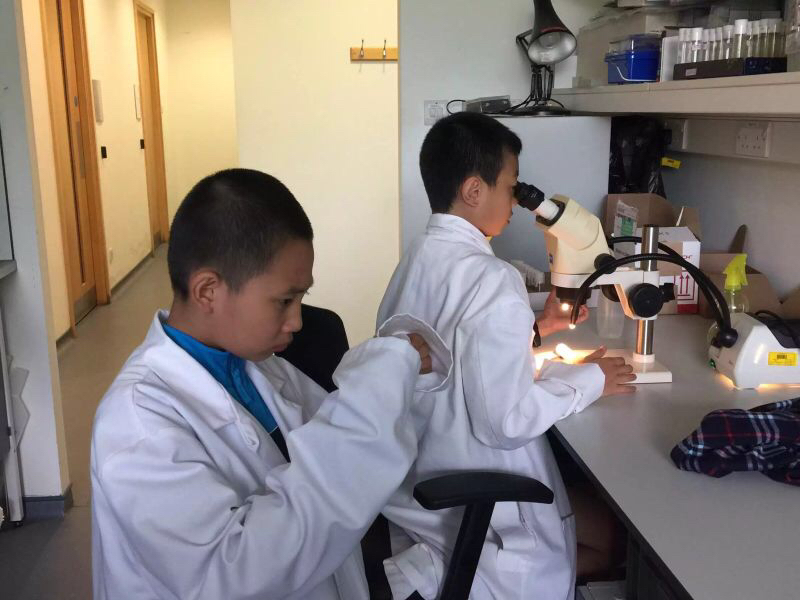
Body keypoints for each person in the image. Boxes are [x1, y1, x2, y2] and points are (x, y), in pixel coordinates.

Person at [91, 168, 451, 600]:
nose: (297, 321)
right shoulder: (136, 427)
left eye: (302, 298)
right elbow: (234, 575)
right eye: (284, 300)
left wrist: (392, 381)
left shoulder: (257, 367)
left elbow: (334, 445)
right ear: (207, 291)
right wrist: (376, 391)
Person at [377, 112, 635, 600]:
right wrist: (592, 380)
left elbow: (453, 347)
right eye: (512, 187)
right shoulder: (492, 278)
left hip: (424, 479)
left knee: (596, 526)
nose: (517, 202)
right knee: (614, 540)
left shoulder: (416, 258)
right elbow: (507, 422)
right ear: (474, 190)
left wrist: (537, 328)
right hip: (484, 499)